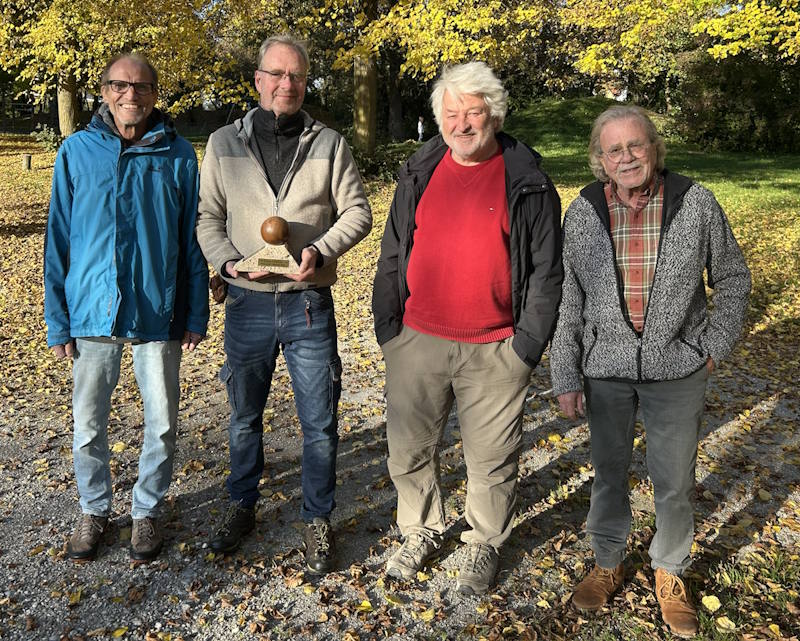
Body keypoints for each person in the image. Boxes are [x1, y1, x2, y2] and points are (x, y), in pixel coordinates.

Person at [550, 105, 751, 638]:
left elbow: (733, 277)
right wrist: (565, 373)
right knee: (608, 474)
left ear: (655, 148)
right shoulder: (584, 211)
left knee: (674, 480)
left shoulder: (696, 202)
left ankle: (670, 570)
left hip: (678, 369)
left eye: (635, 145)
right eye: (614, 149)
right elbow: (569, 299)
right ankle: (607, 561)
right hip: (605, 370)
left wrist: (713, 346)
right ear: (600, 159)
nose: (626, 157)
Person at [372, 61, 562, 595]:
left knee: (492, 459)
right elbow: (394, 249)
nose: (461, 123)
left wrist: (527, 346)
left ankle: (483, 542)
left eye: (472, 112)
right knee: (409, 450)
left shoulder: (528, 181)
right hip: (417, 340)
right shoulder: (419, 171)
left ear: (494, 115)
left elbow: (546, 272)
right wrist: (390, 328)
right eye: (451, 113)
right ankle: (420, 530)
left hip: (497, 347)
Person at [196, 34, 371, 573]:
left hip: (307, 303)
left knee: (319, 420)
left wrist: (321, 249)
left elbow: (358, 212)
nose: (286, 84)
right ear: (258, 79)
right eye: (276, 73)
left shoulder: (330, 144)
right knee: (243, 416)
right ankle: (241, 504)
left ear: (305, 82)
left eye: (295, 75)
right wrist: (228, 265)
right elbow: (208, 217)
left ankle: (317, 517)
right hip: (246, 304)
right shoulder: (223, 143)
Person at [44, 53, 209, 563]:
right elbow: (58, 239)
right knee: (88, 424)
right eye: (120, 85)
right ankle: (94, 508)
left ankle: (146, 511)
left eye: (141, 87)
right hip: (92, 310)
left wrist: (195, 313)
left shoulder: (178, 154)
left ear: (155, 95)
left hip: (157, 312)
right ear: (104, 91)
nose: (130, 95)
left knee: (161, 422)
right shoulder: (76, 152)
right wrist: (58, 320)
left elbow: (192, 239)